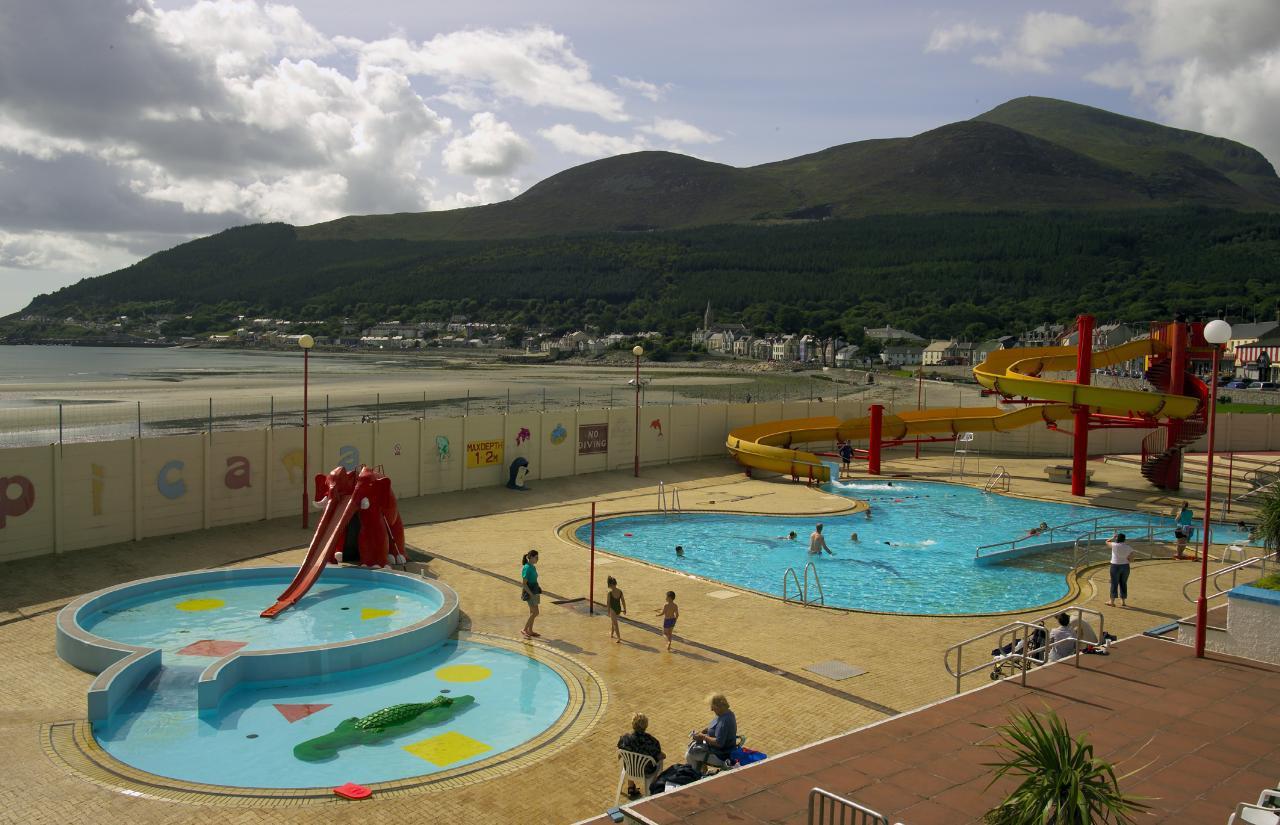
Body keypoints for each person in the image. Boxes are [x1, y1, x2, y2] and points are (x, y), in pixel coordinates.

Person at [618, 713, 664, 799]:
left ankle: (631, 786)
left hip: (629, 769)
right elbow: (658, 755)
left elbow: (620, 754)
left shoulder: (624, 739)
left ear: (633, 724)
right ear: (646, 725)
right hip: (645, 771)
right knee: (660, 761)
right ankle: (654, 787)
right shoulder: (652, 741)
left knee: (630, 759)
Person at [687, 693, 737, 771]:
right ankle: (702, 772)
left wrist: (703, 737)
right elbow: (717, 728)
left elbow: (719, 743)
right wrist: (706, 730)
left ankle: (696, 777)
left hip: (720, 756)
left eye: (713, 707)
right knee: (693, 748)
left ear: (719, 707)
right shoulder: (726, 713)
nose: (711, 709)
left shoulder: (724, 722)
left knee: (690, 755)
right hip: (718, 749)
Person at [1106, 533, 1135, 607]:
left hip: (1115, 566)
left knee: (1114, 583)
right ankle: (1123, 601)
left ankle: (1112, 602)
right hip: (1125, 566)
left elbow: (1106, 542)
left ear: (1117, 539)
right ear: (1124, 539)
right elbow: (1132, 559)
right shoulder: (1128, 547)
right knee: (1123, 583)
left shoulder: (1114, 545)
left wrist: (1112, 537)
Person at [520, 550, 542, 638]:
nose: (537, 559)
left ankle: (530, 631)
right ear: (531, 557)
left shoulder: (532, 567)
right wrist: (531, 594)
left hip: (535, 591)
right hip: (530, 592)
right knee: (536, 612)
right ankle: (525, 629)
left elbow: (534, 579)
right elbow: (524, 584)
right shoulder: (527, 568)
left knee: (532, 612)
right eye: (536, 557)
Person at [607, 576, 627, 643]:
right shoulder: (620, 591)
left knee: (615, 624)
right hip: (618, 609)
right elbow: (623, 601)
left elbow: (608, 603)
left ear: (610, 585)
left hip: (613, 609)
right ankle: (612, 634)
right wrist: (624, 609)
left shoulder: (610, 594)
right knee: (613, 621)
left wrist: (608, 611)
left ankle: (619, 638)